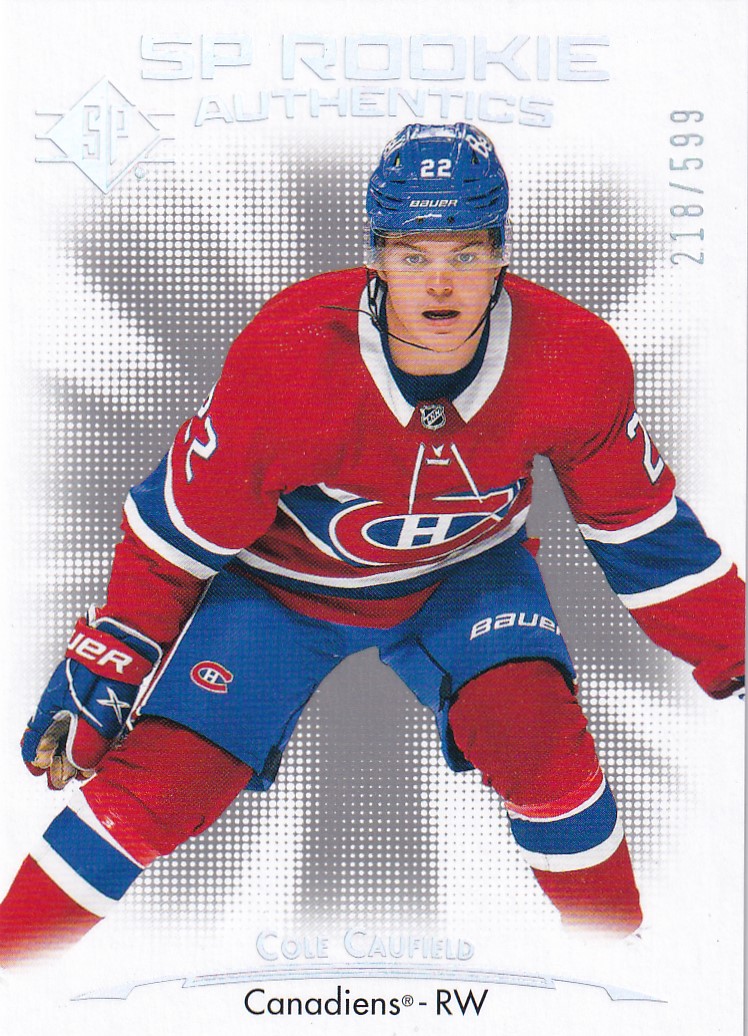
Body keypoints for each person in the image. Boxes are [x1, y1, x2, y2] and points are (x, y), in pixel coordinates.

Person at [0, 123, 743, 965]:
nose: (439, 282)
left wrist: (737, 645)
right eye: (412, 253)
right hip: (283, 589)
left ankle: (627, 974)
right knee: (160, 786)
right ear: (375, 258)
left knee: (541, 745)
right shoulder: (287, 357)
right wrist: (115, 655)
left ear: (502, 255)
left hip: (464, 574)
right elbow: (175, 532)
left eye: (466, 253)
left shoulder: (573, 356)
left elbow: (644, 533)